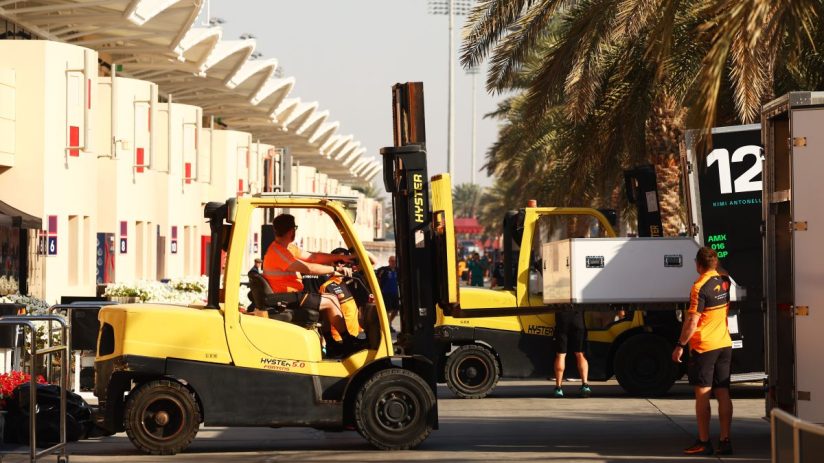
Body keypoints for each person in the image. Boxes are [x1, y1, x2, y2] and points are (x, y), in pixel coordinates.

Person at [261, 213, 357, 348]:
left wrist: (338, 258)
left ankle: (331, 343)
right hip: (284, 297)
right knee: (330, 301)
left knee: (330, 298)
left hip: (291, 295)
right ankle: (348, 342)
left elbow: (313, 257)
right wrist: (335, 270)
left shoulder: (287, 248)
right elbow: (309, 268)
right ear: (291, 231)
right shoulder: (277, 252)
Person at [673, 246, 734, 456]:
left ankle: (704, 441)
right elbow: (722, 272)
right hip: (724, 343)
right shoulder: (725, 281)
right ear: (715, 264)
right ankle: (725, 440)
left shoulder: (699, 287)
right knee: (723, 392)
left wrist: (680, 345)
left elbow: (692, 321)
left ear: (698, 265)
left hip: (704, 346)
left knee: (702, 395)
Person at [552, 308, 591, 398]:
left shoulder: (558, 294)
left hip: (562, 320)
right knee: (580, 354)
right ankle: (585, 385)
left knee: (560, 355)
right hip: (577, 320)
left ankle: (558, 388)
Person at [376, 255, 400, 330]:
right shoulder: (383, 270)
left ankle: (389, 323)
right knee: (388, 310)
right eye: (392, 261)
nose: (394, 263)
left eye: (395, 261)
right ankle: (388, 326)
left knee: (396, 310)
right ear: (389, 261)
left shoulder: (398, 270)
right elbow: (377, 278)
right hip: (386, 292)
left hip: (395, 293)